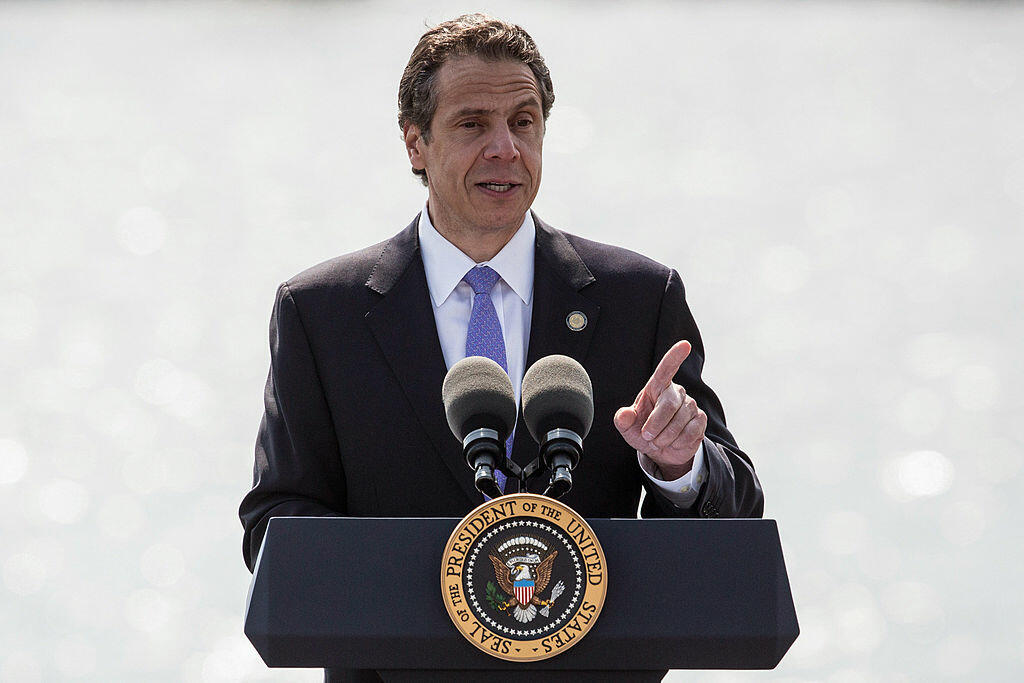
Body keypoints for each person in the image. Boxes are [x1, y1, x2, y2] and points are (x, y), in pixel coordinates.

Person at [240, 6, 761, 606]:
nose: (505, 148)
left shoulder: (639, 299)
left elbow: (737, 516)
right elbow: (275, 525)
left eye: (523, 121)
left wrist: (680, 467)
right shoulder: (321, 314)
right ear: (416, 143)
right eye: (472, 124)